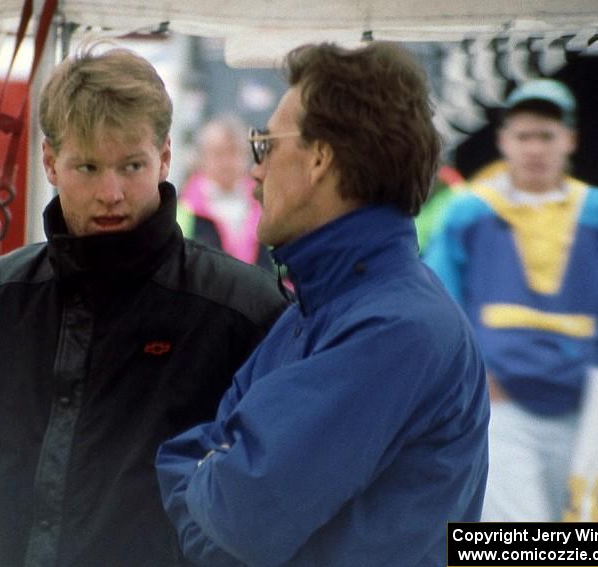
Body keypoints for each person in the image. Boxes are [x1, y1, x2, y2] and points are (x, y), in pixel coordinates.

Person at [0, 43, 288, 567]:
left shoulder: (246, 314)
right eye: (88, 167)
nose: (111, 192)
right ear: (50, 161)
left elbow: (269, 496)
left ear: (164, 157)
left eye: (131, 165)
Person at [156, 41, 489, 567]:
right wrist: (209, 475)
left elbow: (238, 513)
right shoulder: (321, 308)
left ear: (319, 158)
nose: (254, 172)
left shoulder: (392, 329)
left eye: (264, 145)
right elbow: (197, 470)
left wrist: (208, 474)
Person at [424, 79, 598, 522]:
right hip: (500, 410)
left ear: (569, 140)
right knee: (514, 540)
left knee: (589, 540)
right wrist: (477, 380)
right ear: (503, 142)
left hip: (584, 411)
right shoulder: (470, 211)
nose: (535, 148)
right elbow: (442, 305)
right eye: (523, 136)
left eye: (546, 136)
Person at [180, 115, 273, 270]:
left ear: (247, 156)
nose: (226, 162)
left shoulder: (266, 203)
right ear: (202, 157)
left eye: (234, 152)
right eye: (218, 153)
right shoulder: (183, 207)